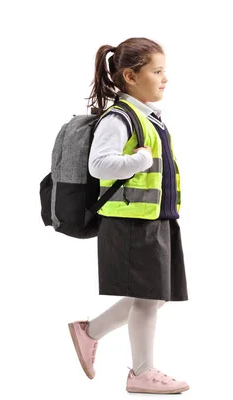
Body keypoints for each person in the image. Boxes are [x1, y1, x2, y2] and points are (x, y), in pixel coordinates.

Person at [67, 37, 189, 394]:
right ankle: (142, 372)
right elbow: (99, 163)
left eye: (165, 70)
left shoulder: (147, 117)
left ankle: (88, 332)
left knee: (155, 295)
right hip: (131, 220)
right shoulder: (120, 118)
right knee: (149, 296)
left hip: (153, 218)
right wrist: (137, 160)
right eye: (157, 71)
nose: (165, 78)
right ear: (131, 77)